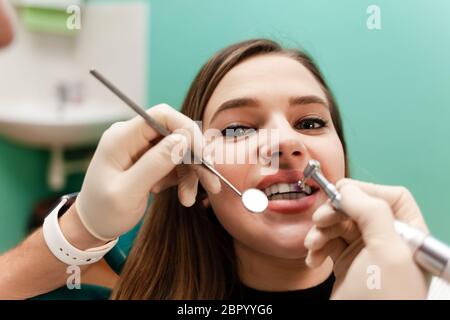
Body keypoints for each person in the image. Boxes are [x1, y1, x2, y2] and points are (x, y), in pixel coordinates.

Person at [0, 39, 431, 300]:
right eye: (240, 127)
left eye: (311, 122)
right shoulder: (119, 283)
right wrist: (79, 230)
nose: (286, 141)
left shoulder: (410, 283)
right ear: (197, 182)